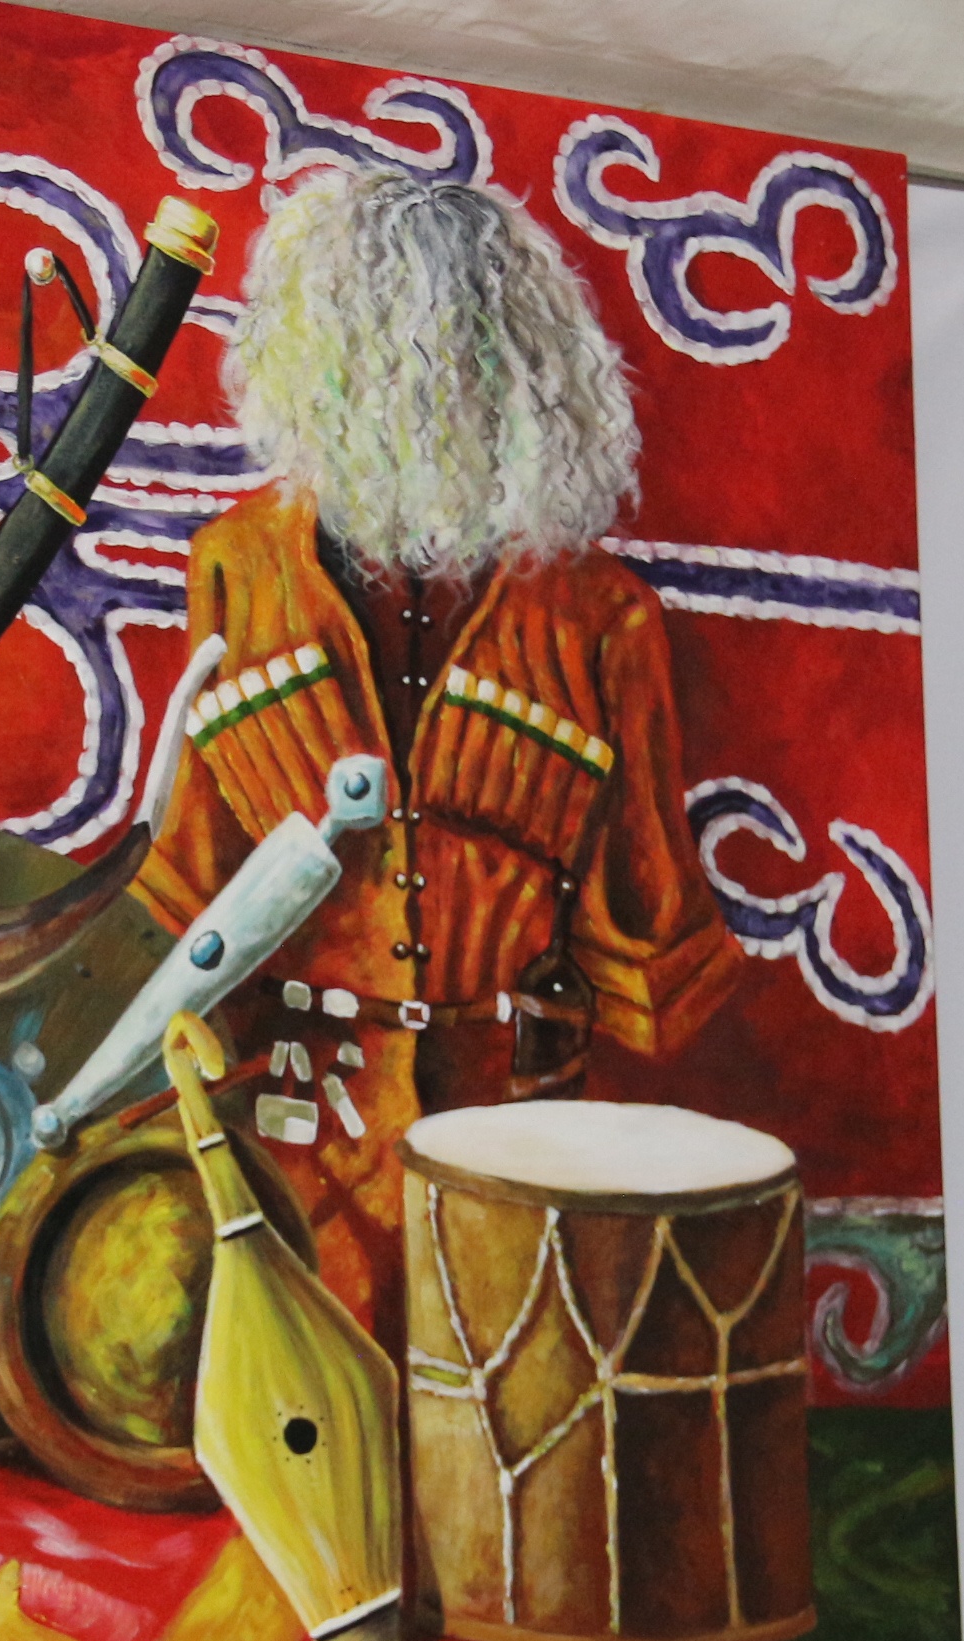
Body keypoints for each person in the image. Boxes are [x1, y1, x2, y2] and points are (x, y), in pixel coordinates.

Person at [139, 165, 737, 1337]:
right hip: (294, 1156)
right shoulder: (236, 569)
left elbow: (653, 965)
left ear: (523, 374)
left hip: (519, 1154)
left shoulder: (601, 615)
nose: (412, 393)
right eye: (372, 357)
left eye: (452, 360)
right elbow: (186, 890)